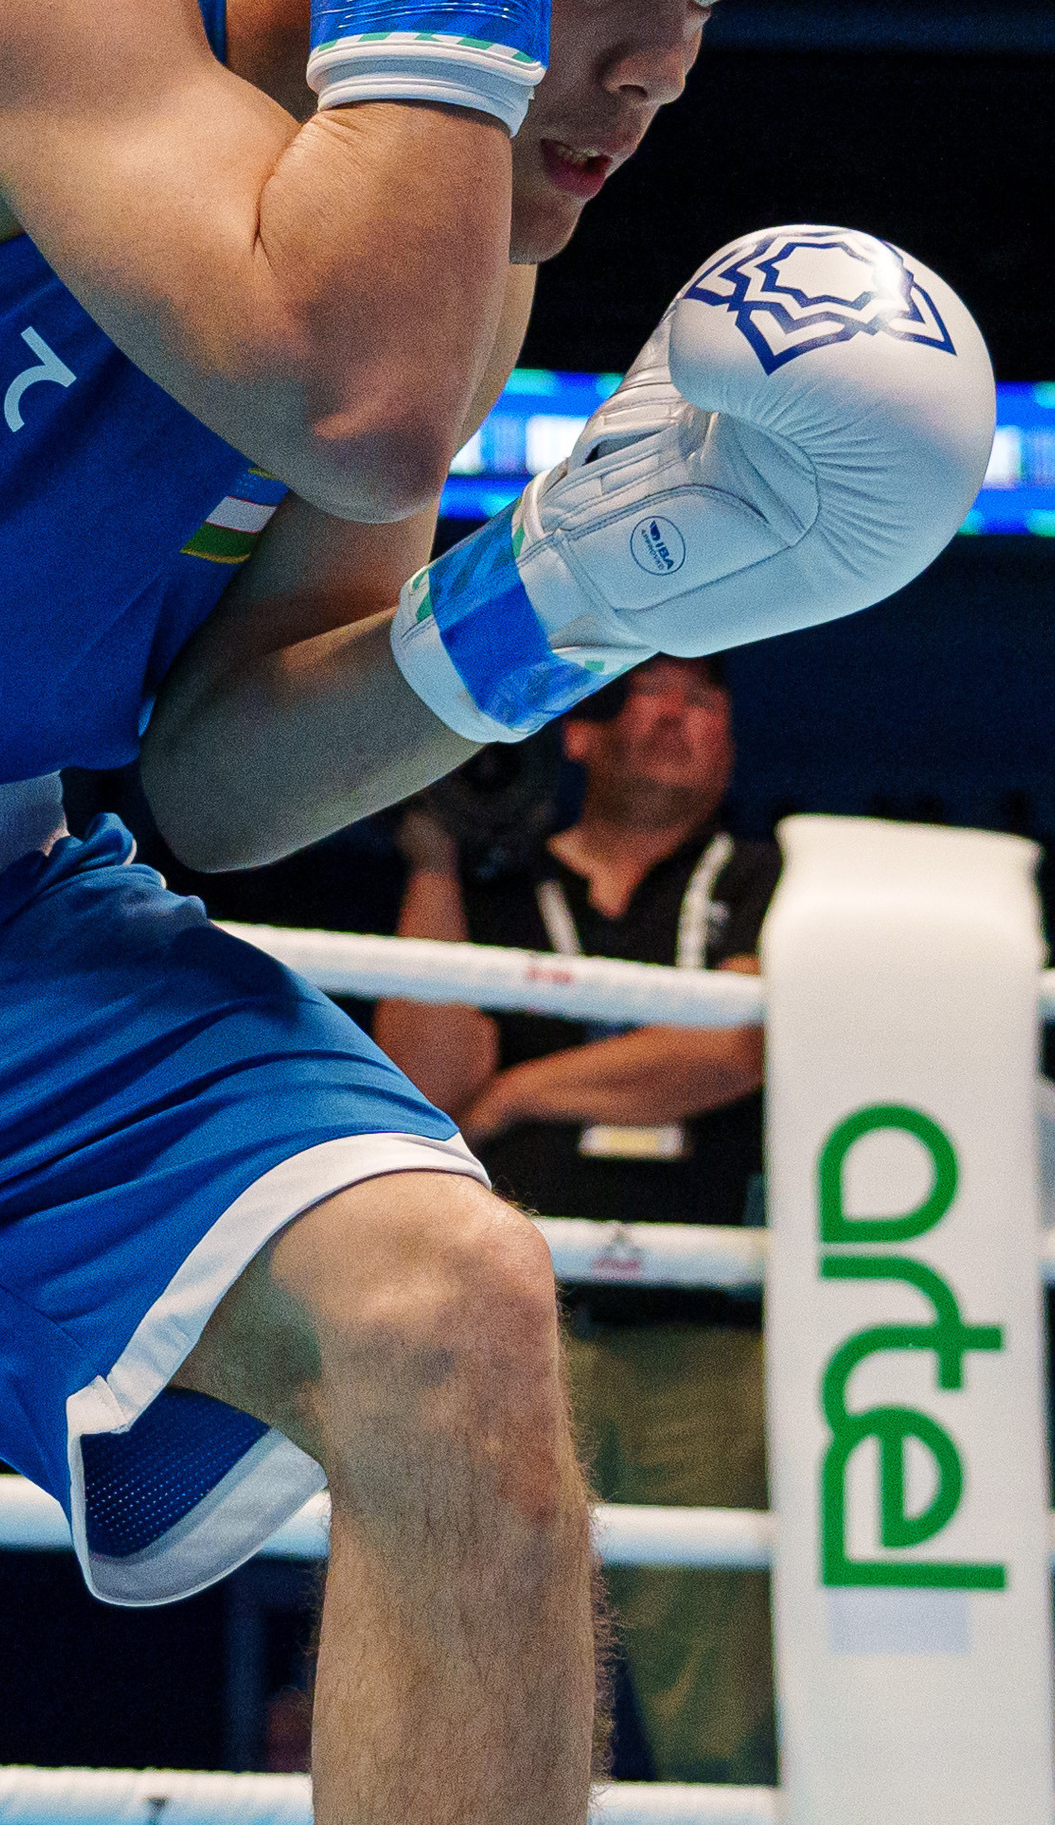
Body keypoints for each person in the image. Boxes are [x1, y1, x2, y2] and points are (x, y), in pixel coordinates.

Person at [0, 0, 996, 1825]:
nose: (643, 63)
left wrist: (562, 599)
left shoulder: (459, 244)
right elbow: (348, 385)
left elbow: (223, 786)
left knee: (453, 1318)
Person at [376, 654, 781, 1788]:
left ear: (731, 749)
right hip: (514, 1343)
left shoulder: (761, 875)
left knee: (722, 1699)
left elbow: (726, 1051)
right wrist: (436, 862)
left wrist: (523, 1092)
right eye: (648, 692)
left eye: (706, 700)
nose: (675, 713)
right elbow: (425, 1082)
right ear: (578, 738)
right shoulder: (499, 897)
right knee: (491, 1669)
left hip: (703, 1342)